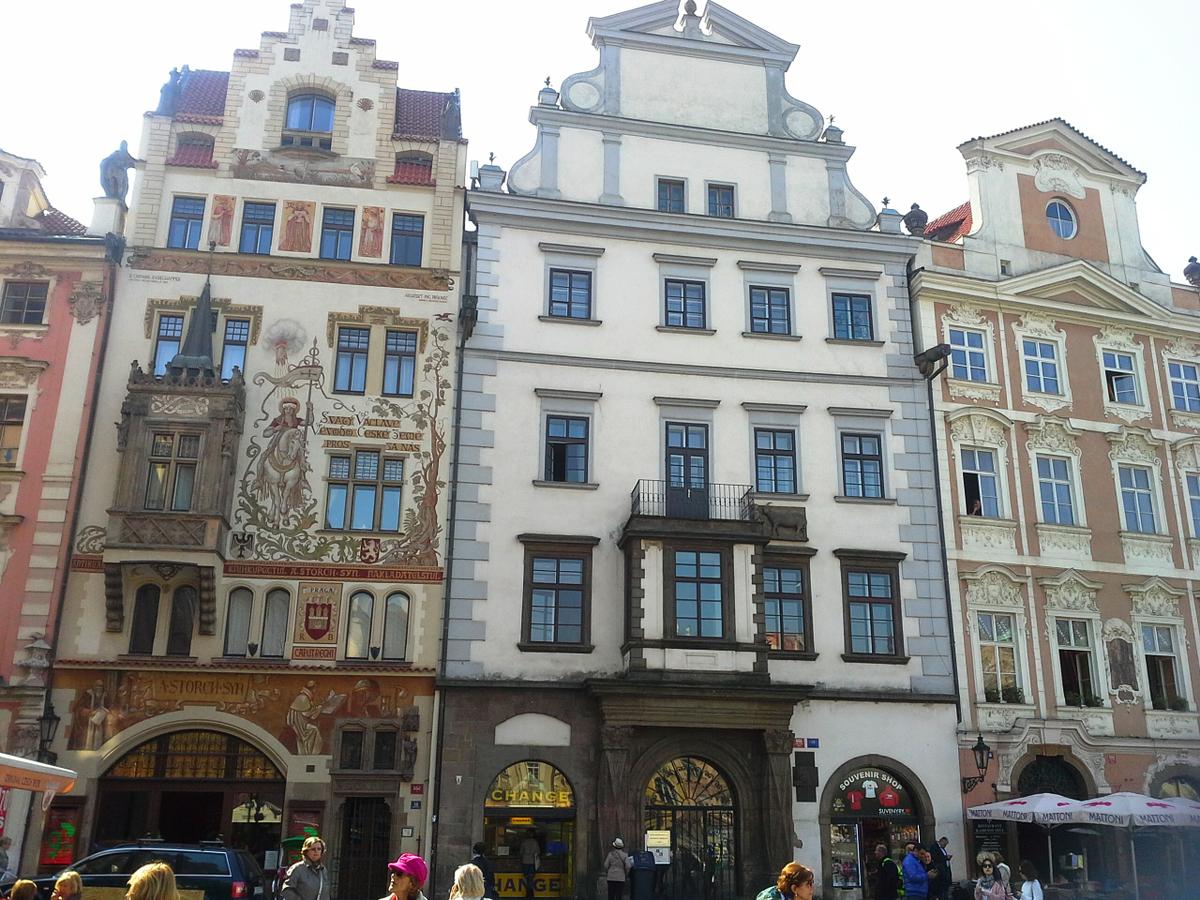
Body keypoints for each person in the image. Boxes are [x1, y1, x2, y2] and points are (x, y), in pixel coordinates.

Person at [281, 836, 330, 900]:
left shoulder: (323, 870)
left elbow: (325, 892)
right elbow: (286, 891)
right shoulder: (297, 869)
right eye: (313, 849)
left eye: (319, 849)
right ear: (306, 851)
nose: (316, 851)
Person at [518, 831, 540, 900]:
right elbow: (538, 852)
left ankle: (528, 892)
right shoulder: (535, 843)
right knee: (531, 877)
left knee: (526, 877)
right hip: (532, 862)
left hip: (525, 862)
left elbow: (521, 852)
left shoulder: (524, 842)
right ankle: (531, 892)